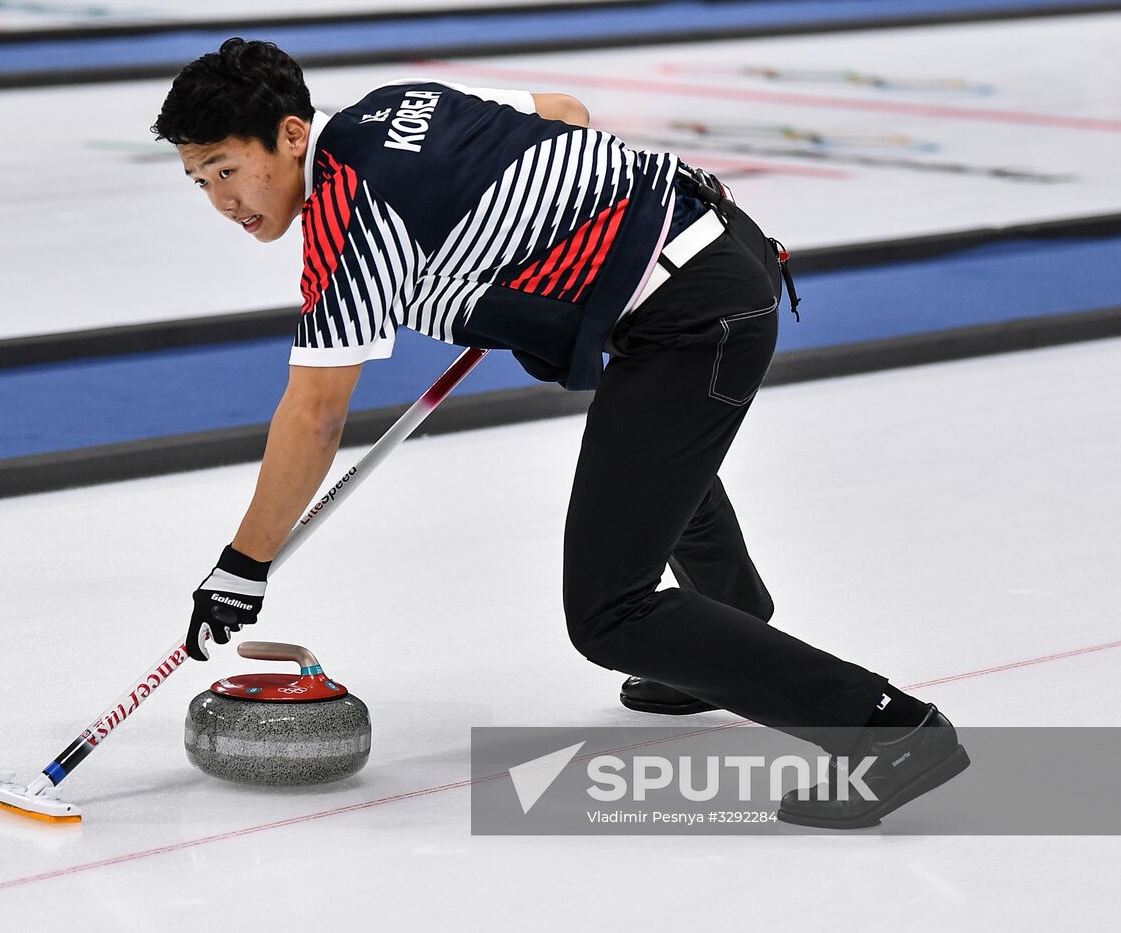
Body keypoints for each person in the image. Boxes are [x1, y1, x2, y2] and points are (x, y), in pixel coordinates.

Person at [152, 38, 969, 828]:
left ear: (292, 134)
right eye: (200, 181)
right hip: (718, 252)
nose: (223, 199)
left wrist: (243, 565)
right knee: (651, 467)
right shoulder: (394, 107)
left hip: (695, 321)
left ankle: (887, 729)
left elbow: (317, 412)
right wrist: (514, 243)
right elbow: (565, 114)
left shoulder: (352, 219)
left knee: (610, 612)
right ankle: (723, 638)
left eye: (227, 168)